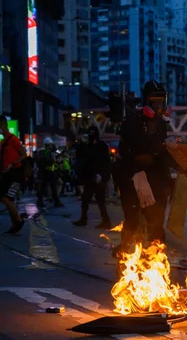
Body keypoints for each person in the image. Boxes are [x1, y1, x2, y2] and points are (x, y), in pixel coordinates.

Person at [113, 80, 179, 257]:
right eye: (155, 100)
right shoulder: (132, 121)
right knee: (132, 221)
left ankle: (157, 257)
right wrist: (137, 167)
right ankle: (125, 251)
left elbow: (162, 152)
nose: (159, 105)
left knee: (156, 222)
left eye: (162, 100)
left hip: (157, 178)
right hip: (133, 177)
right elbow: (125, 152)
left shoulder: (162, 124)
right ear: (147, 101)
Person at [73, 125, 112, 229]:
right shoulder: (88, 145)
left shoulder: (101, 145)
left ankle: (105, 221)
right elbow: (82, 158)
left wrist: (102, 175)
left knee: (99, 200)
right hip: (90, 177)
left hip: (97, 177)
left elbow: (105, 162)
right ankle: (86, 219)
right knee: (87, 199)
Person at [0, 116, 26, 234]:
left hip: (16, 174)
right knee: (7, 199)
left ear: (4, 126)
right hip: (6, 174)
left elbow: (23, 154)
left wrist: (13, 163)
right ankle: (15, 224)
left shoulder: (13, 139)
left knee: (5, 198)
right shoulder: (2, 142)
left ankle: (19, 221)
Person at [36, 137, 63, 208]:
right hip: (50, 172)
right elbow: (51, 161)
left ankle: (39, 201)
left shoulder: (41, 151)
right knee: (53, 187)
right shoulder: (49, 152)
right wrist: (57, 161)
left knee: (43, 187)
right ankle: (57, 202)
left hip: (44, 172)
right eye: (51, 144)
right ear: (49, 144)